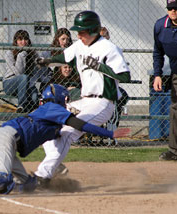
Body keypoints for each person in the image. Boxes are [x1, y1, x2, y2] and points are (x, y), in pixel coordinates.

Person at [0, 84, 115, 196]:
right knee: (2, 178)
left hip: (8, 144)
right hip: (5, 138)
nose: (67, 104)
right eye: (66, 100)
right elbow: (78, 124)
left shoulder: (50, 121)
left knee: (26, 186)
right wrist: (110, 134)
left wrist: (57, 168)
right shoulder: (52, 108)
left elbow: (58, 141)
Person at [35, 11, 130, 184]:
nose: (78, 35)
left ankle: (43, 175)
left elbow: (124, 76)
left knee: (68, 132)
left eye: (82, 31)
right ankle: (55, 165)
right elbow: (63, 57)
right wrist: (47, 62)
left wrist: (99, 67)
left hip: (102, 103)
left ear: (94, 30)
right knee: (49, 126)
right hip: (84, 100)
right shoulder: (79, 45)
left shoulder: (109, 48)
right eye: (77, 31)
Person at [153, 0, 177, 167]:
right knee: (176, 112)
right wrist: (157, 75)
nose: (173, 11)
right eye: (170, 8)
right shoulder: (160, 26)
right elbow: (158, 52)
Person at [100, 26, 129, 146]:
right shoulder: (93, 51)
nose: (104, 38)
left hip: (110, 86)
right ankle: (105, 134)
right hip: (97, 88)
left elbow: (121, 73)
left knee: (122, 97)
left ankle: (111, 135)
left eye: (106, 35)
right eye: (101, 36)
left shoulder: (113, 51)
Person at [3, 30, 38, 113]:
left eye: (26, 39)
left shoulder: (33, 54)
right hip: (10, 83)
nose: (23, 42)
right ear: (16, 41)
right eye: (20, 39)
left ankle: (29, 116)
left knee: (34, 96)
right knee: (23, 77)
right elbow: (18, 73)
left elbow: (37, 71)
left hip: (27, 84)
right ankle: (21, 105)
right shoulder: (9, 53)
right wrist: (21, 56)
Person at [36, 28, 73, 92]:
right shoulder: (48, 53)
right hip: (50, 82)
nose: (65, 42)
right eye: (63, 39)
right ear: (57, 39)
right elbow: (41, 72)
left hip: (67, 81)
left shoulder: (71, 52)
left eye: (68, 39)